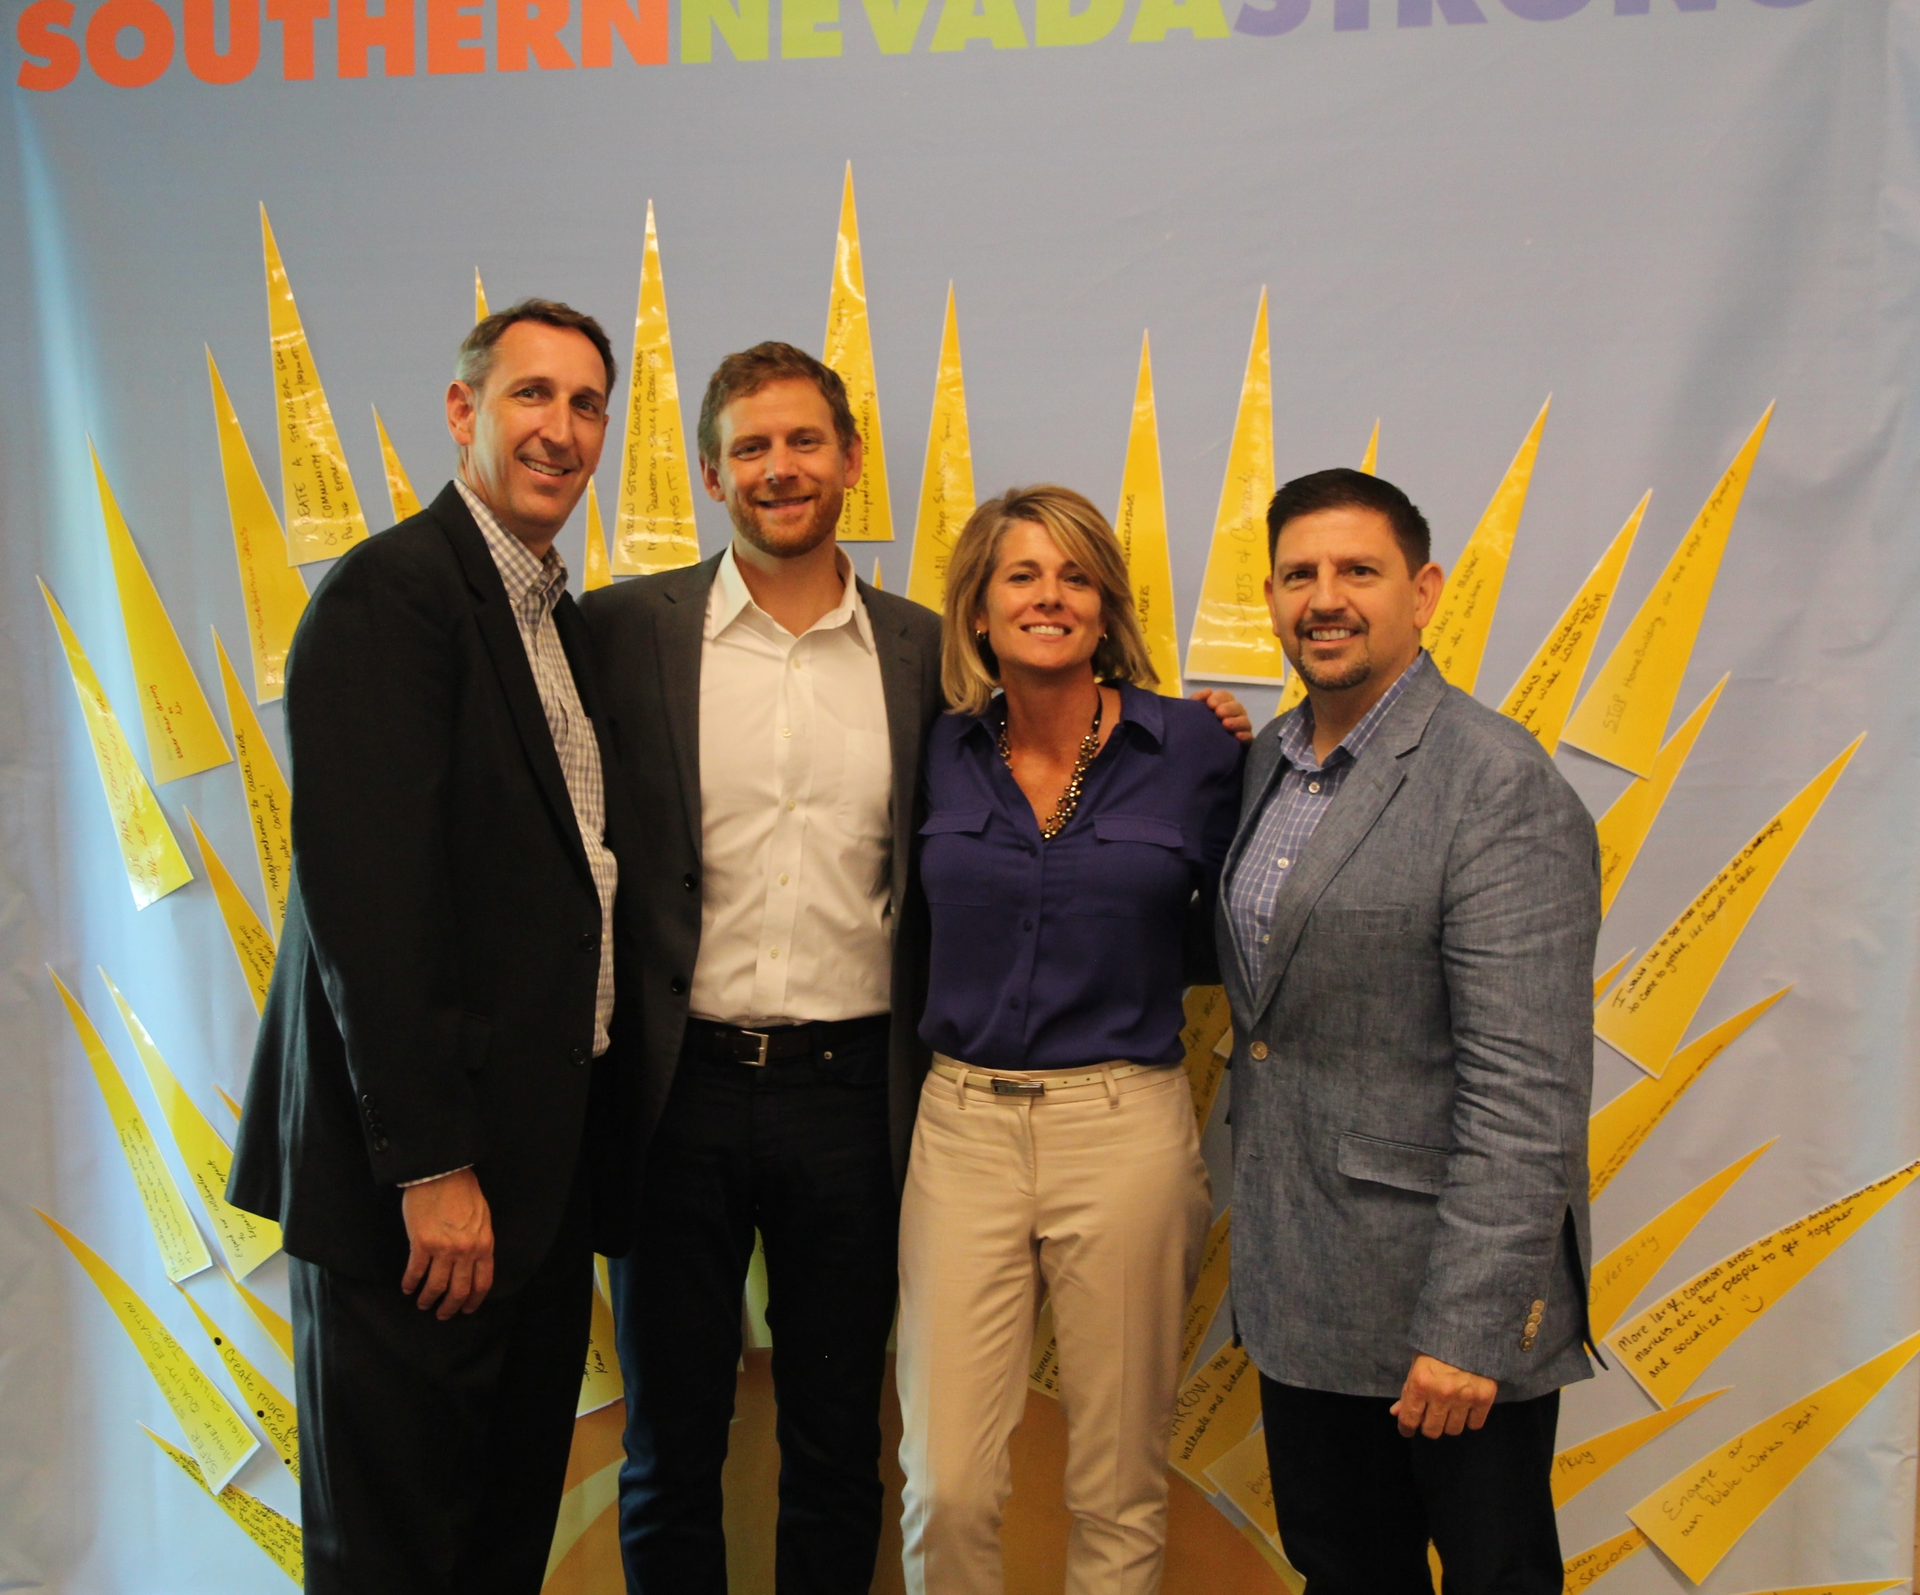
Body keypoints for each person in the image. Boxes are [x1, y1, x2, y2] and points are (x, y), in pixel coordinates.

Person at [226, 300, 637, 1594]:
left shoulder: (556, 626)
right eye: (531, 396)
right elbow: (371, 909)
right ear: (465, 413)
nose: (559, 430)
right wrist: (434, 1165)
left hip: (532, 1192)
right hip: (424, 1203)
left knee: (496, 1545)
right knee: (396, 1558)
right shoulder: (388, 600)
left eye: (584, 406)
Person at [581, 341, 944, 1595]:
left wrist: (1199, 727)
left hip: (854, 1092)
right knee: (670, 1442)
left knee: (840, 1443)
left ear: (849, 459)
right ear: (708, 471)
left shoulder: (929, 652)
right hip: (671, 1089)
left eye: (803, 441)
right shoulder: (624, 629)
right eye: (751, 446)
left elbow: (1062, 744)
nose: (779, 467)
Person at [1218, 467, 1601, 1594]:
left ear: (1424, 589)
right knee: (1342, 1574)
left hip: (1445, 1310)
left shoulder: (1495, 783)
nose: (1324, 597)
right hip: (1301, 1292)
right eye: (1299, 573)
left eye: (1358, 571)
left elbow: (1527, 1087)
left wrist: (1470, 1328)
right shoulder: (1265, 764)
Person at [896, 485, 1246, 1595]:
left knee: (1117, 1480)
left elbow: (1228, 930)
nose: (1049, 595)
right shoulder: (933, 750)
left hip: (1124, 1124)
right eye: (1021, 575)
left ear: (1107, 604)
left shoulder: (1195, 745)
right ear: (979, 609)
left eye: (1075, 576)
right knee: (944, 1481)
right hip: (959, 1127)